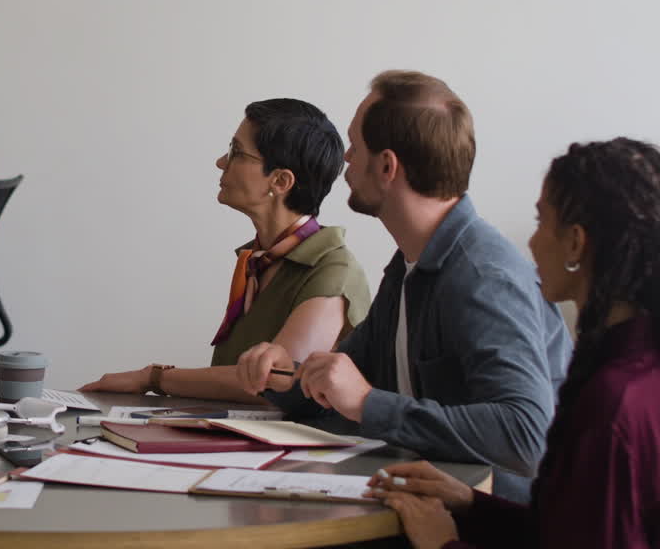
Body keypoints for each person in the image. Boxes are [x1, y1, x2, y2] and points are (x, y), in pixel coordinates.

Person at [239, 71, 572, 502]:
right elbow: (335, 390)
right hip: (419, 504)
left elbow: (525, 436)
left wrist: (366, 403)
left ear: (386, 167)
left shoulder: (483, 276)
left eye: (355, 146)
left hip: (497, 527)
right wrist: (283, 376)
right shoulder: (407, 267)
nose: (344, 157)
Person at [369, 137, 660, 549]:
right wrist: (471, 503)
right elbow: (569, 528)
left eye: (542, 222)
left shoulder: (613, 401)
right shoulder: (632, 370)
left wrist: (444, 545)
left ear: (576, 242)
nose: (532, 241)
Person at [80, 98, 370, 402]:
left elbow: (273, 385)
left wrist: (153, 377)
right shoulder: (259, 259)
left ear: (280, 181)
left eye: (236, 152)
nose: (221, 161)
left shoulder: (333, 269)